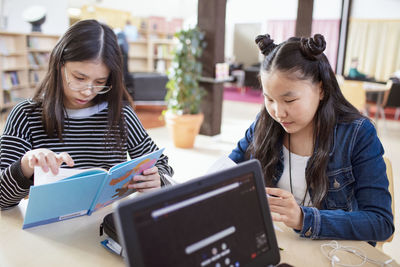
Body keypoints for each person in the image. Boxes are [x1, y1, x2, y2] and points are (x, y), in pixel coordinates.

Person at [229, 34, 394, 243]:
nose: (278, 113)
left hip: (334, 252)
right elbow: (228, 171)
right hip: (281, 244)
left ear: (321, 89)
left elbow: (381, 223)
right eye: (269, 99)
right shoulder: (264, 124)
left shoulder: (357, 134)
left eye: (289, 100)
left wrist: (302, 218)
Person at [0, 20, 173, 209]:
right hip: (48, 229)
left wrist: (157, 181)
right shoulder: (26, 115)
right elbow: (2, 199)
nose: (88, 91)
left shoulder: (120, 114)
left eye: (100, 81)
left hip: (103, 225)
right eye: (79, 78)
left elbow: (162, 164)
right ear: (59, 65)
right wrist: (25, 165)